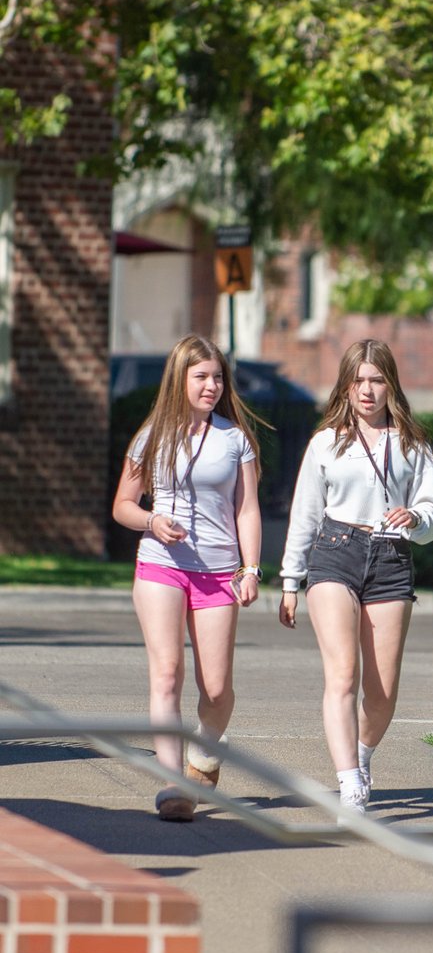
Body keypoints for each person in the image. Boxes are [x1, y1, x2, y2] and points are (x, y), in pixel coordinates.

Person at [277, 340, 433, 814]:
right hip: (335, 553)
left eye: (376, 380)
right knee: (343, 675)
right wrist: (291, 581)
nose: (366, 390)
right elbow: (305, 516)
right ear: (345, 386)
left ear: (390, 383)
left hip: (392, 560)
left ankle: (362, 754)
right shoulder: (325, 442)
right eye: (358, 380)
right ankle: (349, 780)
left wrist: (415, 518)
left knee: (383, 692)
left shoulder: (412, 442)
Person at [112, 334, 263, 822]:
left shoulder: (234, 439)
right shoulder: (151, 435)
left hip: (219, 573)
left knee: (216, 689)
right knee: (167, 674)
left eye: (218, 377)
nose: (212, 385)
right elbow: (123, 506)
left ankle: (205, 754)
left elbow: (248, 510)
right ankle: (174, 784)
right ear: (179, 379)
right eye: (201, 376)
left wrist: (251, 567)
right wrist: (152, 520)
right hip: (161, 564)